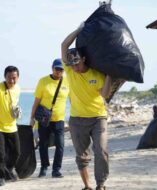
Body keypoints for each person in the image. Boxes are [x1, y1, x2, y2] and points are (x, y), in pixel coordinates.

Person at [61, 23, 112, 190]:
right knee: (82, 156)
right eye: (72, 65)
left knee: (102, 151)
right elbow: (64, 45)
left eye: (77, 64)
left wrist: (110, 76)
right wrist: (78, 30)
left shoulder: (95, 75)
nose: (75, 68)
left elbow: (104, 95)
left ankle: (101, 184)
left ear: (83, 59)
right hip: (77, 120)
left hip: (98, 117)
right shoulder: (69, 70)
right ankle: (87, 186)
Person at [30, 59, 69, 178]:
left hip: (59, 120)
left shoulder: (67, 82)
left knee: (60, 145)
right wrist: (32, 118)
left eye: (61, 69)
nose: (59, 71)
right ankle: (44, 167)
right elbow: (36, 101)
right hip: (44, 120)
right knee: (43, 144)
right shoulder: (43, 81)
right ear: (52, 68)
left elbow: (74, 98)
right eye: (57, 69)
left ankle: (56, 170)